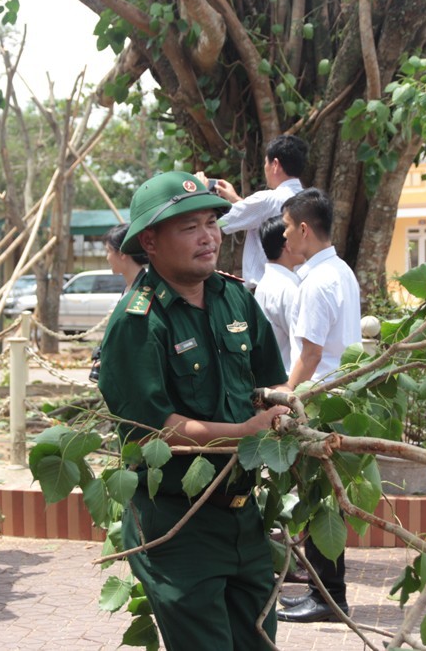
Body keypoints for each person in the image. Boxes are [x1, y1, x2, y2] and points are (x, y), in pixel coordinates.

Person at [98, 171, 290, 650]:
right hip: (177, 524)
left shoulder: (236, 298)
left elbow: (271, 382)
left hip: (244, 518)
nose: (208, 237)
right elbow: (151, 432)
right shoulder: (138, 321)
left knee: (260, 642)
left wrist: (286, 408)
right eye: (189, 227)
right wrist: (246, 434)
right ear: (150, 241)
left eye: (211, 223)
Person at [277, 187, 361, 624]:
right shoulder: (340, 271)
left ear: (305, 229)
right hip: (338, 398)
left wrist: (285, 394)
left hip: (319, 402)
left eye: (288, 227)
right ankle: (322, 591)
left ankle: (329, 596)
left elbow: (310, 355)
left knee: (319, 500)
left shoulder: (315, 282)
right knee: (323, 498)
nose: (284, 235)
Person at [212, 135, 308, 286]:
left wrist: (200, 194)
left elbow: (221, 222)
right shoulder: (309, 201)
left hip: (266, 288)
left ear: (275, 164)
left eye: (265, 162)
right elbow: (258, 213)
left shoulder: (267, 200)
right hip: (298, 285)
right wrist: (235, 199)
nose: (265, 168)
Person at [89, 223, 148, 383]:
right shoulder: (131, 288)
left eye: (108, 251)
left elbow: (138, 342)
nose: (107, 257)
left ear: (122, 253)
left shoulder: (143, 293)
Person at [254, 215, 303, 372]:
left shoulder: (266, 283)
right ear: (288, 244)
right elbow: (303, 346)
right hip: (289, 377)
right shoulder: (287, 289)